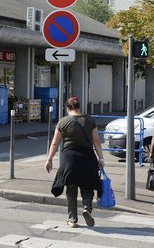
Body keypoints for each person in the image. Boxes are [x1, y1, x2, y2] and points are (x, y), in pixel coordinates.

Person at [45, 96, 104, 228]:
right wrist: (101, 158)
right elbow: (97, 142)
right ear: (79, 107)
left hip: (69, 159)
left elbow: (55, 143)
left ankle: (72, 220)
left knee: (71, 189)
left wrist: (49, 159)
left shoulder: (63, 122)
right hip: (87, 157)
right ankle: (87, 208)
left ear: (67, 108)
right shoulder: (89, 120)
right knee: (87, 186)